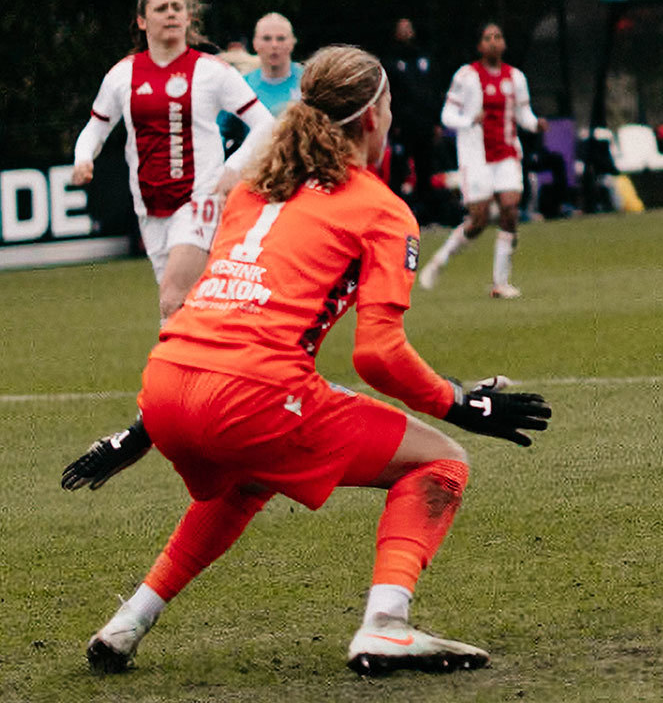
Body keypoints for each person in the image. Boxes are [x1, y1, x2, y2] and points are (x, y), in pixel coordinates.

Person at [76, 45, 551, 677]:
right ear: (374, 119)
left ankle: (128, 622)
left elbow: (220, 316)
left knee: (251, 474)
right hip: (248, 393)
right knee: (442, 460)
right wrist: (461, 404)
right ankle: (386, 624)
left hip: (165, 389)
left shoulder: (252, 192)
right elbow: (378, 353)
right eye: (387, 106)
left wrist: (138, 433)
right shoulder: (380, 208)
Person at [72, 0, 278, 322]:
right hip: (149, 205)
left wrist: (234, 168)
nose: (170, 14)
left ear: (188, 18)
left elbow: (265, 124)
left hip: (200, 199)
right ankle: (209, 366)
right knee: (185, 310)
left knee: (172, 298)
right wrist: (82, 159)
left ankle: (166, 373)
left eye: (176, 8)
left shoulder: (212, 71)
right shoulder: (122, 75)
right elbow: (96, 126)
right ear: (142, 21)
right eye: (160, 8)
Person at [417, 23, 546, 298]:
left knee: (510, 210)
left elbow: (524, 115)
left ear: (504, 44)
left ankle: (500, 282)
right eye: (488, 38)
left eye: (498, 37)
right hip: (476, 157)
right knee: (479, 220)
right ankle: (440, 260)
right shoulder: (466, 76)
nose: (493, 42)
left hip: (507, 153)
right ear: (479, 46)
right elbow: (447, 115)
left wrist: (536, 125)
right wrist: (468, 120)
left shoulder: (516, 78)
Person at [383, 18, 442, 220]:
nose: (407, 33)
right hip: (403, 127)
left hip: (424, 124)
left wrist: (436, 122)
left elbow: (432, 91)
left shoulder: (423, 59)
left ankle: (426, 215)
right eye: (402, 29)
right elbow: (390, 96)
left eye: (409, 28)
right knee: (398, 171)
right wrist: (394, 124)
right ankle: (394, 215)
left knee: (425, 169)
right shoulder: (391, 63)